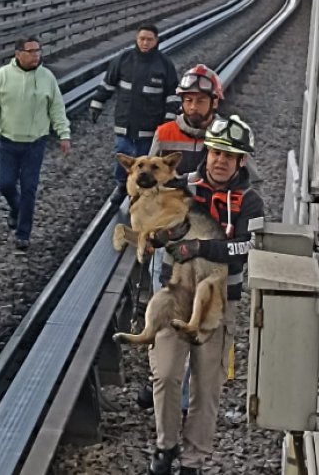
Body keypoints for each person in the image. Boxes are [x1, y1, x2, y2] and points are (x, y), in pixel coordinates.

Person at [146, 115, 265, 475]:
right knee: (165, 374)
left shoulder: (250, 202)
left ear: (241, 161)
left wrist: (200, 247)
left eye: (229, 155)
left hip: (218, 303)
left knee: (206, 385)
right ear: (206, 153)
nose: (220, 161)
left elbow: (245, 248)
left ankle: (194, 461)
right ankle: (166, 445)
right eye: (215, 152)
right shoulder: (180, 188)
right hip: (175, 293)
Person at [135, 64, 225, 411]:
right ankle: (158, 378)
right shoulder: (165, 132)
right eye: (189, 100)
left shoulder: (224, 136)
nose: (194, 108)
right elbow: (147, 181)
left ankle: (183, 394)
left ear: (213, 103)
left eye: (201, 101)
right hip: (171, 238)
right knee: (164, 304)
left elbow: (247, 179)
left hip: (204, 244)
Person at [0, 36, 71, 251]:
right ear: (18, 54)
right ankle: (16, 209)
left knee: (29, 188)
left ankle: (23, 234)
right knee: (6, 185)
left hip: (35, 142)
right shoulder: (2, 76)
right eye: (30, 51)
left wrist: (63, 134)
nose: (35, 55)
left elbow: (57, 108)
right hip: (9, 141)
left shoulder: (47, 77)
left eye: (38, 51)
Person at [88, 23, 180, 205]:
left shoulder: (164, 65)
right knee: (123, 159)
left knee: (146, 168)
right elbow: (108, 84)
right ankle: (121, 187)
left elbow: (172, 95)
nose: (145, 43)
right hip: (125, 125)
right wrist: (97, 104)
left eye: (149, 39)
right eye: (141, 39)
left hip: (150, 129)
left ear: (156, 41)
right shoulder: (123, 60)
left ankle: (143, 199)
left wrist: (168, 121)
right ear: (137, 39)